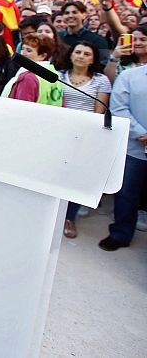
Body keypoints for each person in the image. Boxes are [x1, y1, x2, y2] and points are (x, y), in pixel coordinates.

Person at [58, 42, 111, 238]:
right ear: (71, 55)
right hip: (60, 132)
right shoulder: (59, 75)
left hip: (85, 136)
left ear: (93, 59)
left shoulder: (101, 80)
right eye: (77, 51)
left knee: (76, 178)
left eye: (86, 53)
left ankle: (69, 217)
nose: (81, 56)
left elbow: (100, 112)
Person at [101, 63, 147, 251]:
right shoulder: (129, 76)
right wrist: (142, 134)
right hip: (135, 147)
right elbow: (119, 108)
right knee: (127, 193)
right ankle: (120, 234)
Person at [2, 34, 63, 105]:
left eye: (28, 50)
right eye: (22, 49)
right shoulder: (56, 74)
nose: (22, 53)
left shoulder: (28, 78)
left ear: (43, 56)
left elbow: (22, 108)